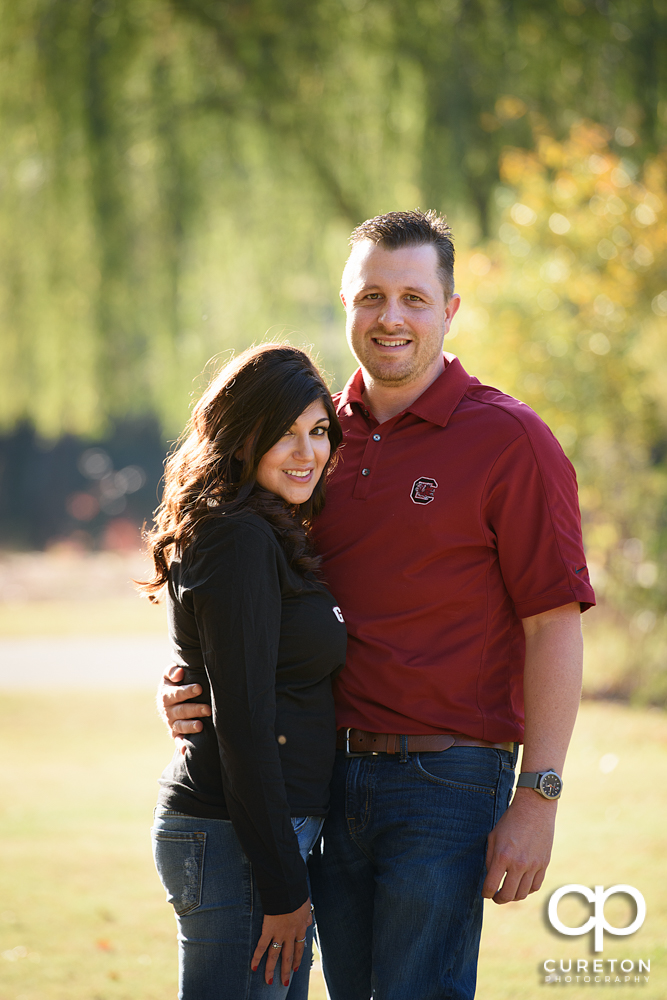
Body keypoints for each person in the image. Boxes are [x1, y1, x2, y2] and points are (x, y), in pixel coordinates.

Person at [160, 211, 596, 1000]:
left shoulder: (510, 441)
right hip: (321, 782)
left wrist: (539, 793)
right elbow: (245, 588)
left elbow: (551, 623)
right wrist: (193, 676)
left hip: (446, 781)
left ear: (449, 309)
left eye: (413, 298)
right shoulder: (310, 437)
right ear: (344, 304)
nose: (390, 318)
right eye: (370, 297)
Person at [141, 344, 347, 1000]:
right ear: (241, 436)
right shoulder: (239, 537)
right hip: (238, 838)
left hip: (256, 835)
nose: (306, 453)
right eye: (283, 434)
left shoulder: (261, 529)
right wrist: (285, 890)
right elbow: (245, 726)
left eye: (317, 432)